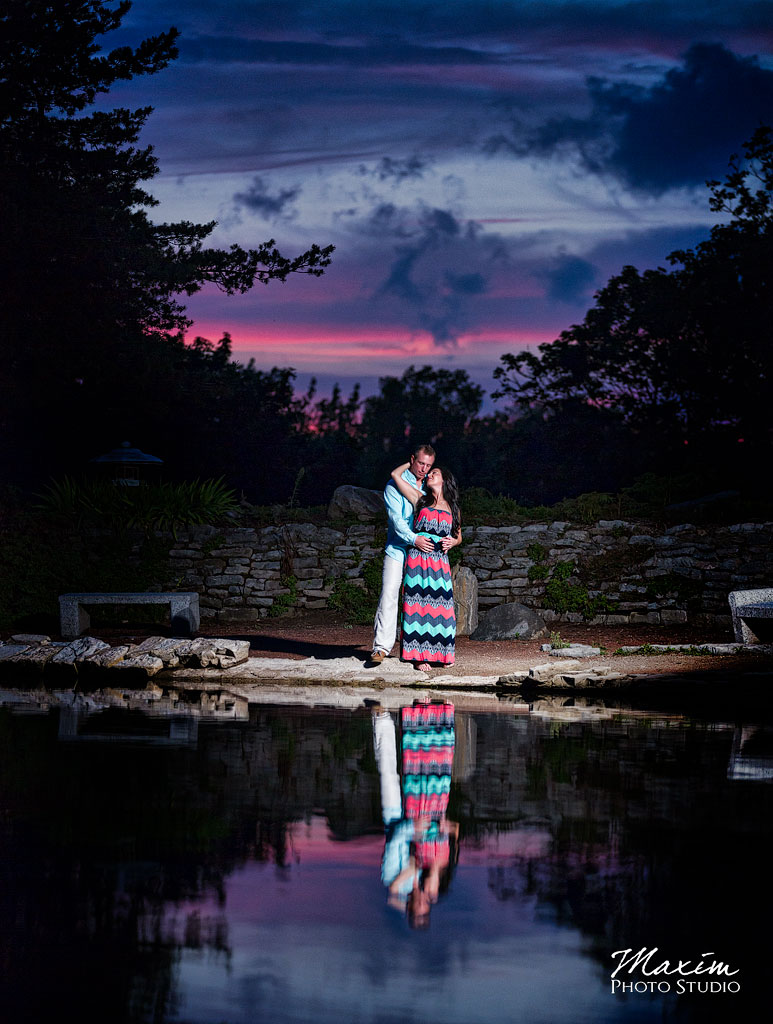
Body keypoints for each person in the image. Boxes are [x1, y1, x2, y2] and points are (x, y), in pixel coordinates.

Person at [389, 461, 462, 671]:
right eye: (429, 471)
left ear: (445, 480)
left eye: (434, 472)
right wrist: (411, 463)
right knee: (417, 607)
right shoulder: (420, 499)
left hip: (440, 562)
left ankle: (442, 653)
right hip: (418, 559)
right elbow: (395, 474)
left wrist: (452, 542)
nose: (429, 474)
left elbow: (459, 537)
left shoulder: (453, 508)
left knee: (443, 609)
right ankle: (419, 656)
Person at [369, 445, 436, 665]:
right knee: (389, 592)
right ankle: (381, 648)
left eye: (428, 465)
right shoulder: (393, 485)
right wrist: (414, 538)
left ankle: (416, 651)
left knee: (419, 600)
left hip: (423, 552)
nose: (424, 469)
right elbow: (397, 522)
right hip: (398, 548)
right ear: (411, 460)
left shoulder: (431, 486)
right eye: (420, 463)